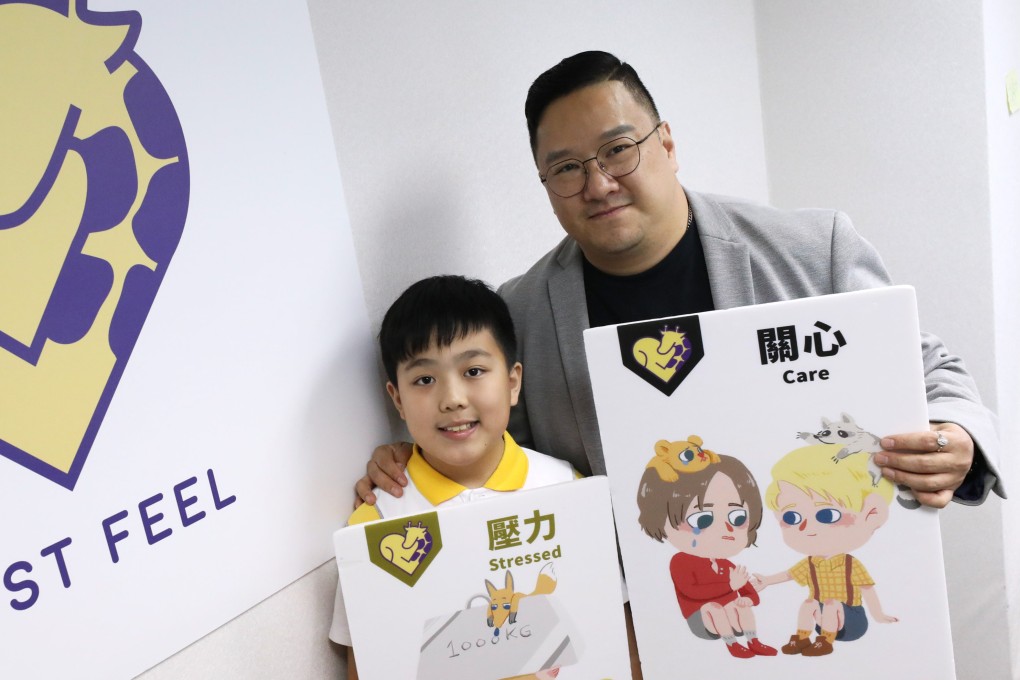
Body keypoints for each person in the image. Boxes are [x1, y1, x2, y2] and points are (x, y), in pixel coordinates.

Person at [358, 50, 1002, 512]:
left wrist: (958, 436)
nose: (599, 183)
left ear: (666, 143)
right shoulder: (518, 313)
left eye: (618, 149)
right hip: (646, 627)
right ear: (547, 186)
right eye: (566, 168)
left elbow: (932, 369)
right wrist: (409, 469)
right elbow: (500, 465)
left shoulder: (813, 250)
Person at [330, 275, 577, 680]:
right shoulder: (375, 524)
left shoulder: (567, 487)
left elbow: (608, 625)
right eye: (424, 380)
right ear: (397, 399)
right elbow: (366, 662)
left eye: (474, 370)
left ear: (513, 382)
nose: (452, 398)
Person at [753, 444, 900, 657]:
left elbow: (867, 589)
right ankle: (801, 638)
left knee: (830, 602)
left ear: (872, 513)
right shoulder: (812, 562)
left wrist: (878, 615)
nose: (807, 527)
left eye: (827, 515)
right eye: (791, 517)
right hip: (822, 621)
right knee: (809, 602)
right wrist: (766, 581)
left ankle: (826, 642)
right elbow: (789, 575)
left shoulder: (849, 564)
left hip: (852, 620)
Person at [636, 445, 777, 658]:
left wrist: (748, 599)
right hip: (702, 619)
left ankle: (754, 641)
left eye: (737, 518)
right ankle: (732, 646)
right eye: (703, 519)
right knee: (716, 608)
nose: (724, 529)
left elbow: (748, 590)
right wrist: (730, 586)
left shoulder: (726, 564)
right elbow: (692, 591)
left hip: (732, 618)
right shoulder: (680, 561)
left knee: (735, 607)